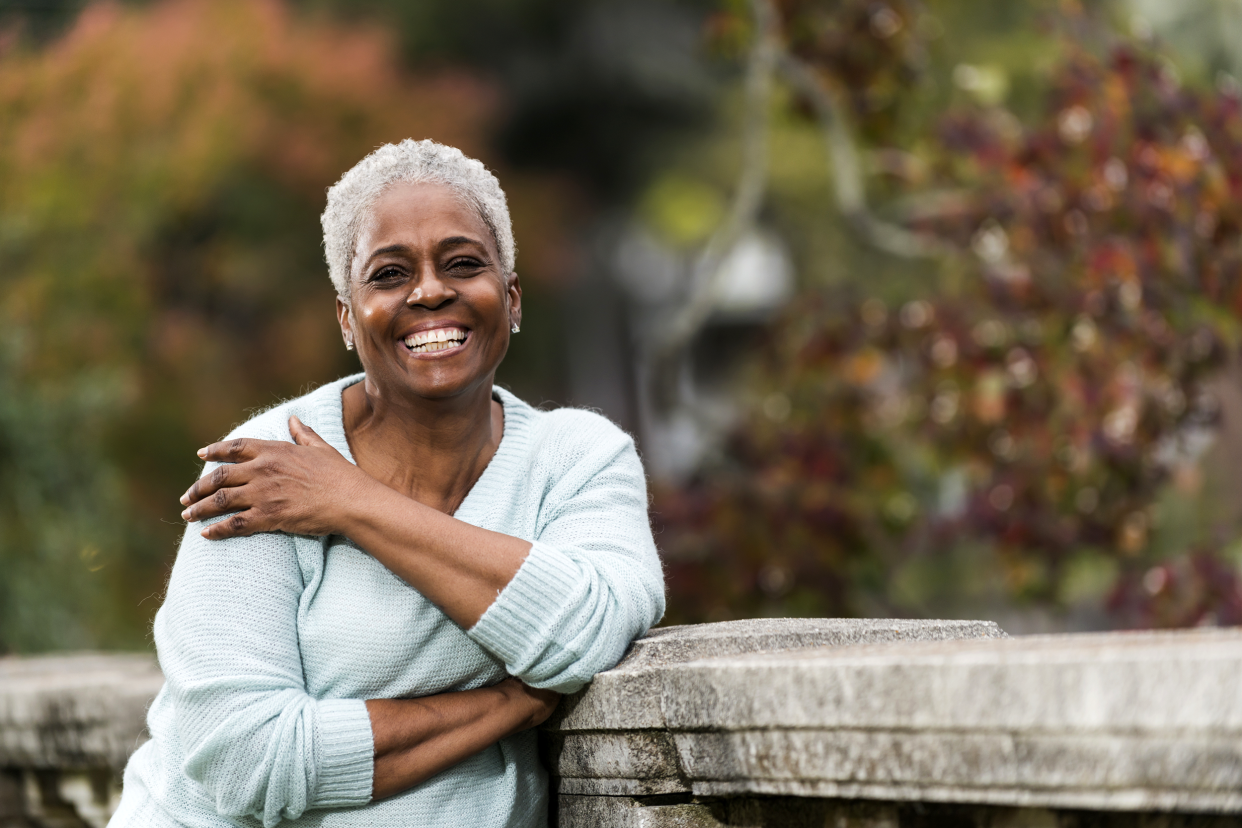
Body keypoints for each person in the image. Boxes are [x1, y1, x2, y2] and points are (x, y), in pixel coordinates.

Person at [108, 139, 666, 828]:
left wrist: (351, 501)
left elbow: (588, 633)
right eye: (390, 273)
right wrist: (504, 705)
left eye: (463, 264)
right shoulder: (265, 467)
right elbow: (243, 758)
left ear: (511, 298)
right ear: (347, 316)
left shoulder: (578, 459)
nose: (430, 291)